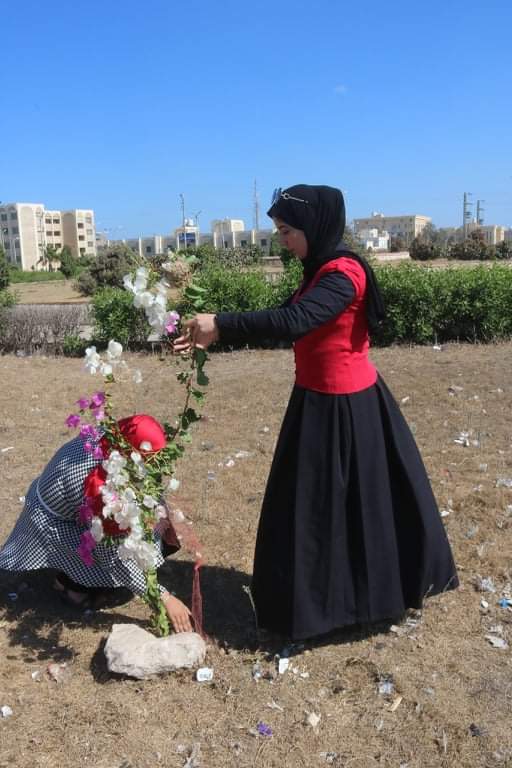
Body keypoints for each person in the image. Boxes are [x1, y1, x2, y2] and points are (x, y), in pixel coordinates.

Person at [174, 184, 458, 641]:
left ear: (316, 226)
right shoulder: (319, 270)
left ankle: (350, 603)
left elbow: (295, 321)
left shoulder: (343, 274)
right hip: (317, 399)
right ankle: (322, 600)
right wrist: (216, 332)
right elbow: (285, 320)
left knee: (342, 509)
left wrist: (222, 323)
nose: (282, 239)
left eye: (288, 230)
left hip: (345, 407)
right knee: (316, 509)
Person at [0, 413, 193, 633]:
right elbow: (111, 556)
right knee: (101, 550)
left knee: (151, 523)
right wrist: (164, 598)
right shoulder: (97, 487)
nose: (154, 466)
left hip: (80, 507)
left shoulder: (112, 440)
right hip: (55, 522)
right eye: (150, 459)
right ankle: (70, 586)